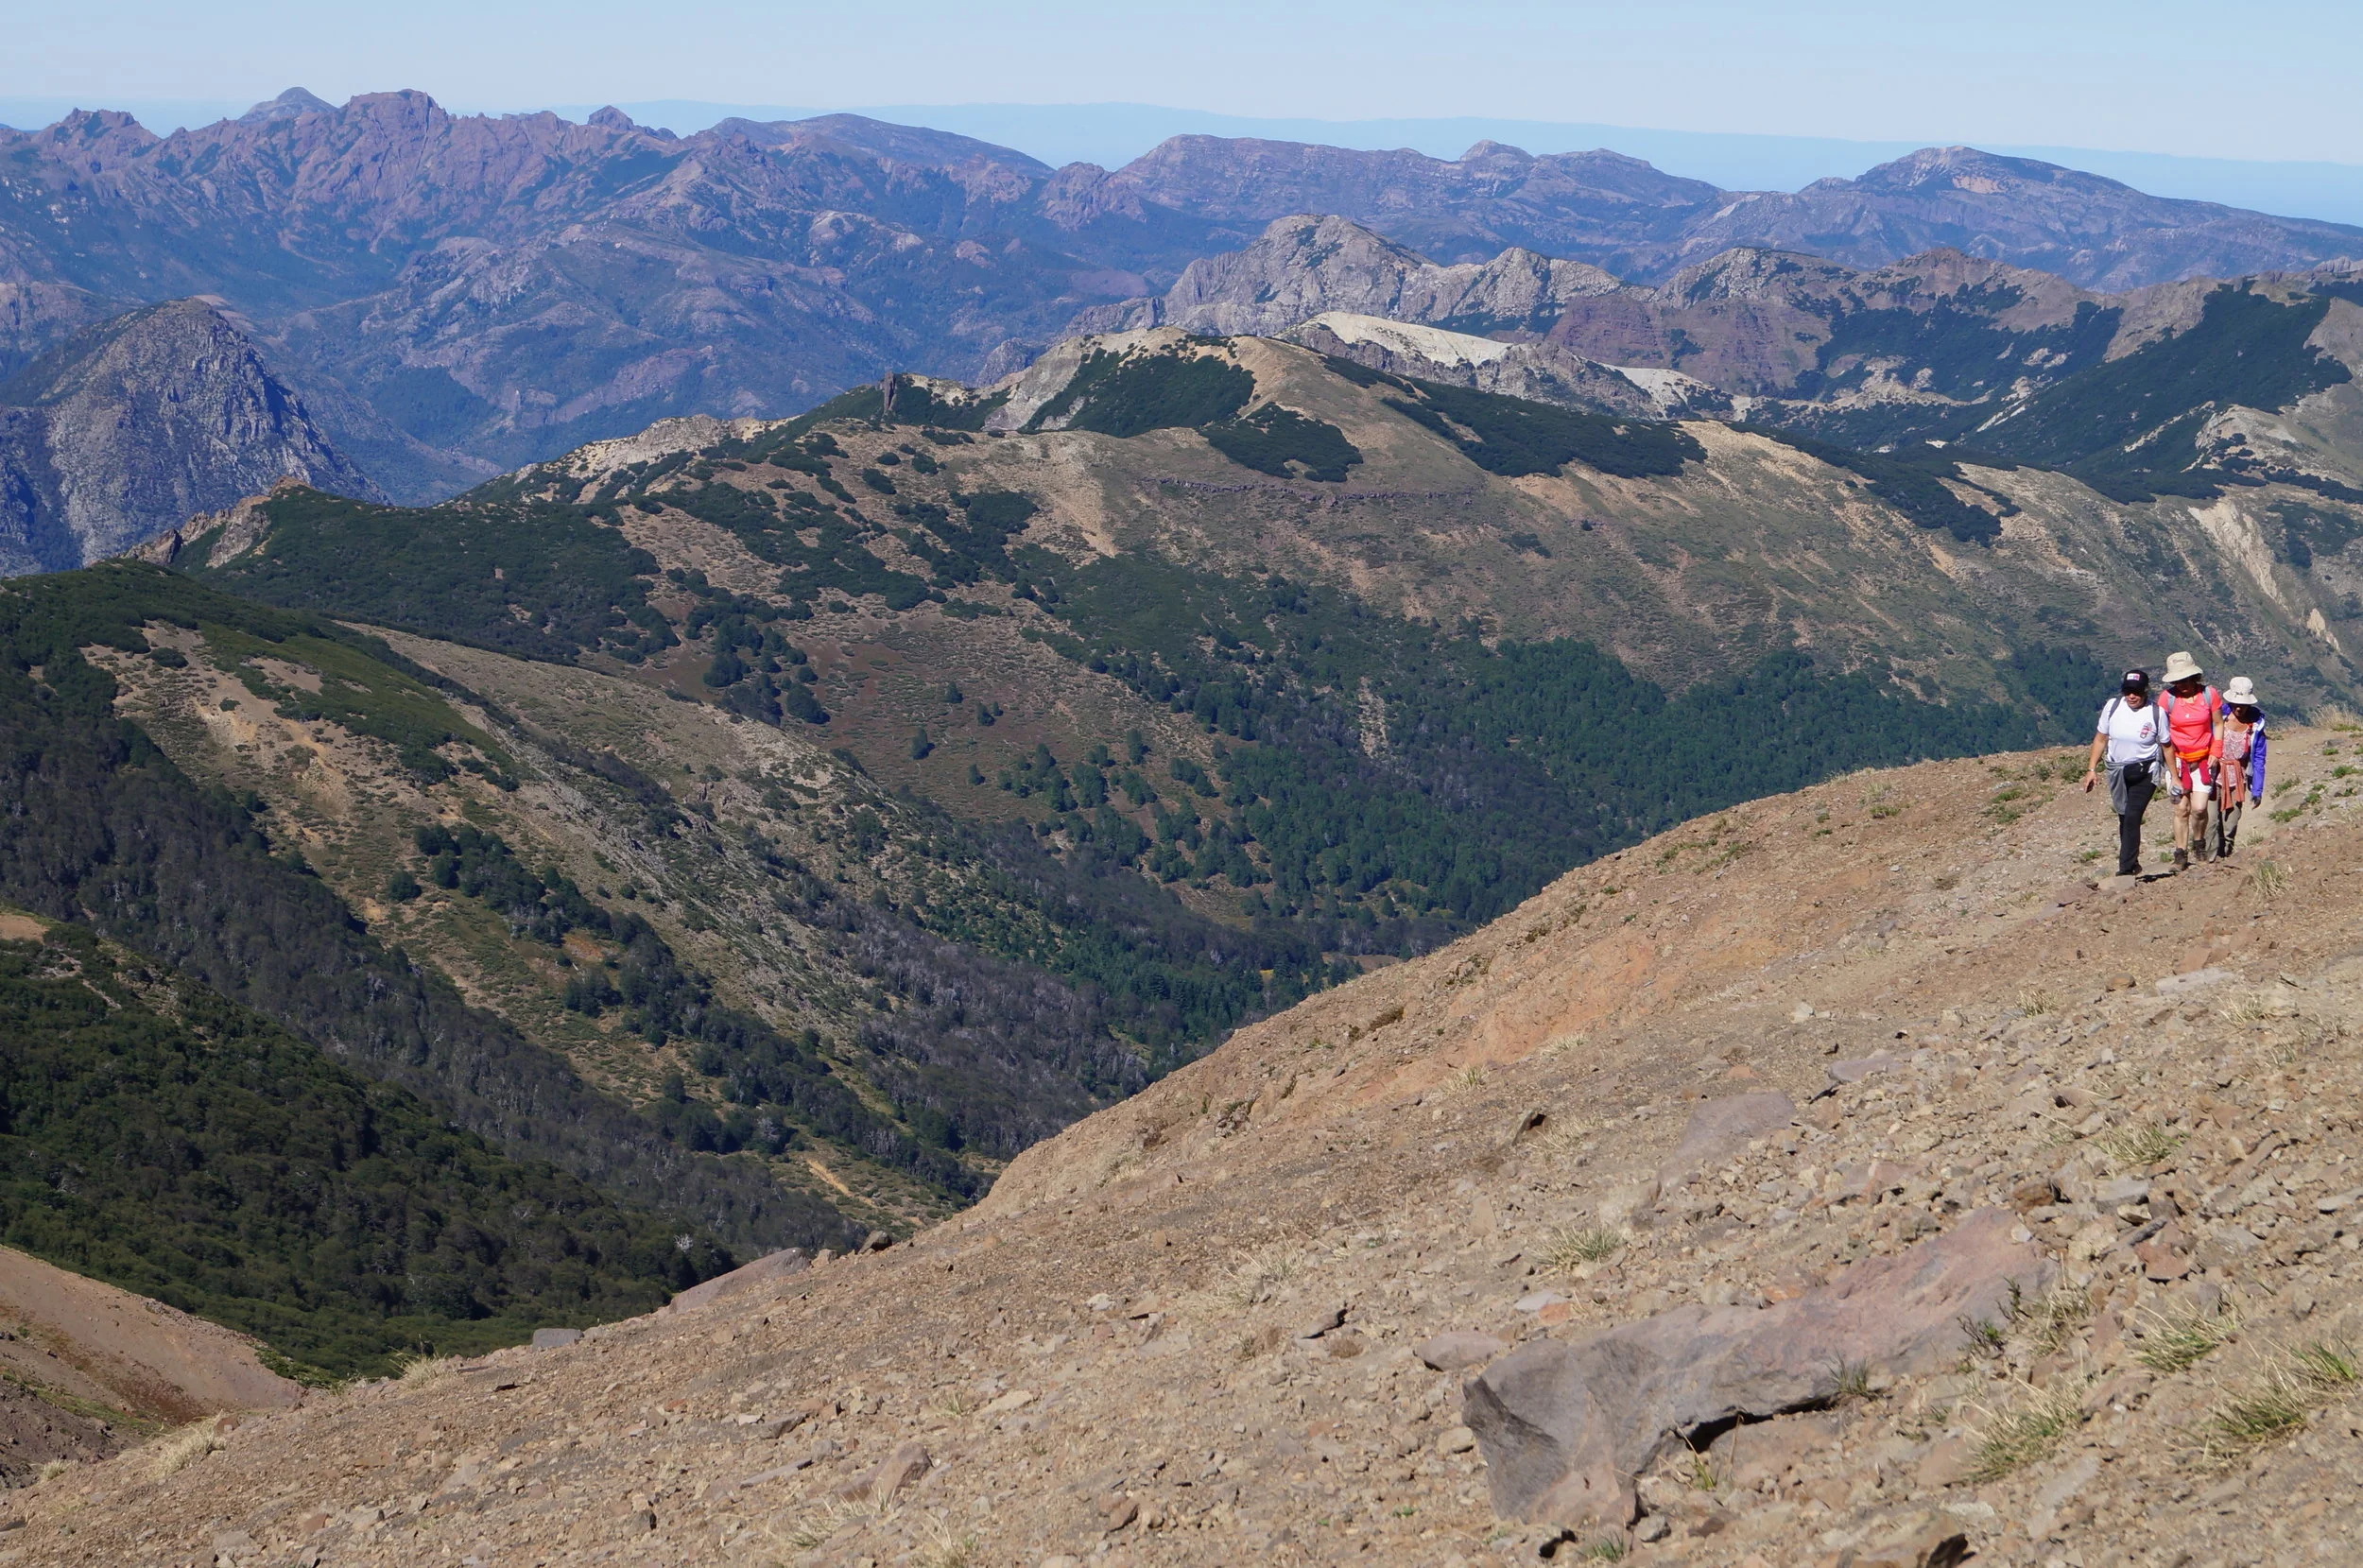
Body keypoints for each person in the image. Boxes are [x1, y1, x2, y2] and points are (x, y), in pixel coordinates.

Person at [2083, 668, 2164, 877]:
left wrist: (2174, 776)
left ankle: (2125, 869)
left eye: (2136, 691)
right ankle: (2132, 861)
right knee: (2123, 816)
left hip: (2146, 772)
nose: (2132, 696)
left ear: (2145, 691)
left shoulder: (2156, 713)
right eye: (2128, 691)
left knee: (2132, 816)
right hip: (2117, 771)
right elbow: (2101, 738)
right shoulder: (2113, 707)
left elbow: (2167, 746)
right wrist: (2092, 769)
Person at [2156, 651, 2226, 870]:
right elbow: (2162, 730)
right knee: (2181, 809)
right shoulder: (2167, 699)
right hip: (2177, 760)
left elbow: (2218, 723)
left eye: (2185, 679)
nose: (2182, 684)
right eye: (2178, 680)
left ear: (2194, 677)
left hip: (2203, 759)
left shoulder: (2209, 695)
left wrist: (2216, 750)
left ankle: (2199, 842)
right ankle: (2180, 853)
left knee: (2199, 807)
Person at [2215, 676, 2268, 858]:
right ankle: (2211, 860)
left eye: (2243, 704)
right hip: (2214, 774)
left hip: (2237, 778)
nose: (2239, 707)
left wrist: (2257, 790)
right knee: (2213, 822)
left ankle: (2225, 856)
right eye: (2236, 703)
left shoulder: (2255, 726)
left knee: (2230, 823)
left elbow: (2259, 758)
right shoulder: (2218, 717)